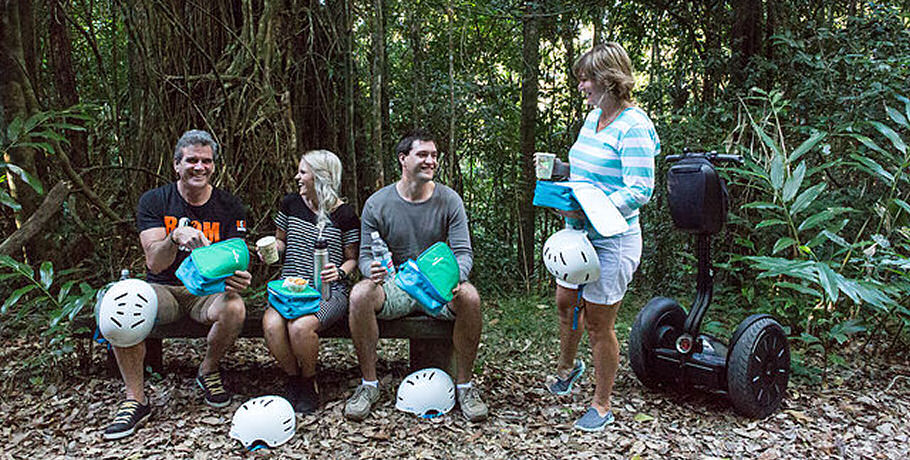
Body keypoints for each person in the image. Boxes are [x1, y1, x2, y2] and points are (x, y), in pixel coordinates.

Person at [104, 130, 251, 440]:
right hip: (164, 291)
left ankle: (208, 370)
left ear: (214, 166)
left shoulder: (229, 206)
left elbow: (237, 259)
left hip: (207, 293)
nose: (200, 167)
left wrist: (240, 278)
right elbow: (154, 263)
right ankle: (135, 399)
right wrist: (174, 237)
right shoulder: (155, 201)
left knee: (235, 306)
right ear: (176, 165)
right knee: (123, 300)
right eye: (192, 160)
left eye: (206, 161)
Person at [542, 42, 659, 432]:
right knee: (565, 300)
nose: (582, 86)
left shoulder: (635, 125)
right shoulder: (593, 119)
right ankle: (568, 368)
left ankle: (602, 403)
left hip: (614, 237)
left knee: (597, 321)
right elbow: (586, 173)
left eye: (587, 78)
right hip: (578, 233)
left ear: (610, 80)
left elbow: (640, 189)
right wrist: (560, 173)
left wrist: (592, 207)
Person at [343, 129, 489, 422]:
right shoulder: (378, 203)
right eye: (422, 154)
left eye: (434, 155)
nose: (430, 161)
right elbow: (367, 254)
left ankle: (465, 387)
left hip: (438, 286)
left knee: (471, 296)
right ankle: (369, 386)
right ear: (403, 159)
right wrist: (369, 268)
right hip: (397, 284)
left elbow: (463, 252)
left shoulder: (449, 200)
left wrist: (455, 278)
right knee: (359, 294)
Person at [259, 150, 360, 414]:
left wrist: (340, 272)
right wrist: (271, 250)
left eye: (303, 172)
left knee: (300, 328)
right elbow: (280, 240)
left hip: (329, 291)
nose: (298, 177)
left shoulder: (345, 214)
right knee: (271, 325)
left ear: (320, 176)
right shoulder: (291, 203)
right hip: (289, 289)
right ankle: (293, 377)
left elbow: (353, 259)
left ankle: (308, 380)